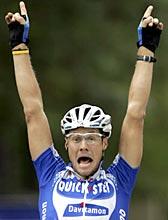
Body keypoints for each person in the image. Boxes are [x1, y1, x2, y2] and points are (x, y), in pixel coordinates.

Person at [5, 2, 163, 220]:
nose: (84, 146)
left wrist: (146, 49)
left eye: (91, 138)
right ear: (67, 143)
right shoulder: (50, 173)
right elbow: (32, 111)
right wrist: (18, 46)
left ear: (104, 143)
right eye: (76, 138)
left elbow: (136, 115)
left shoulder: (120, 180)